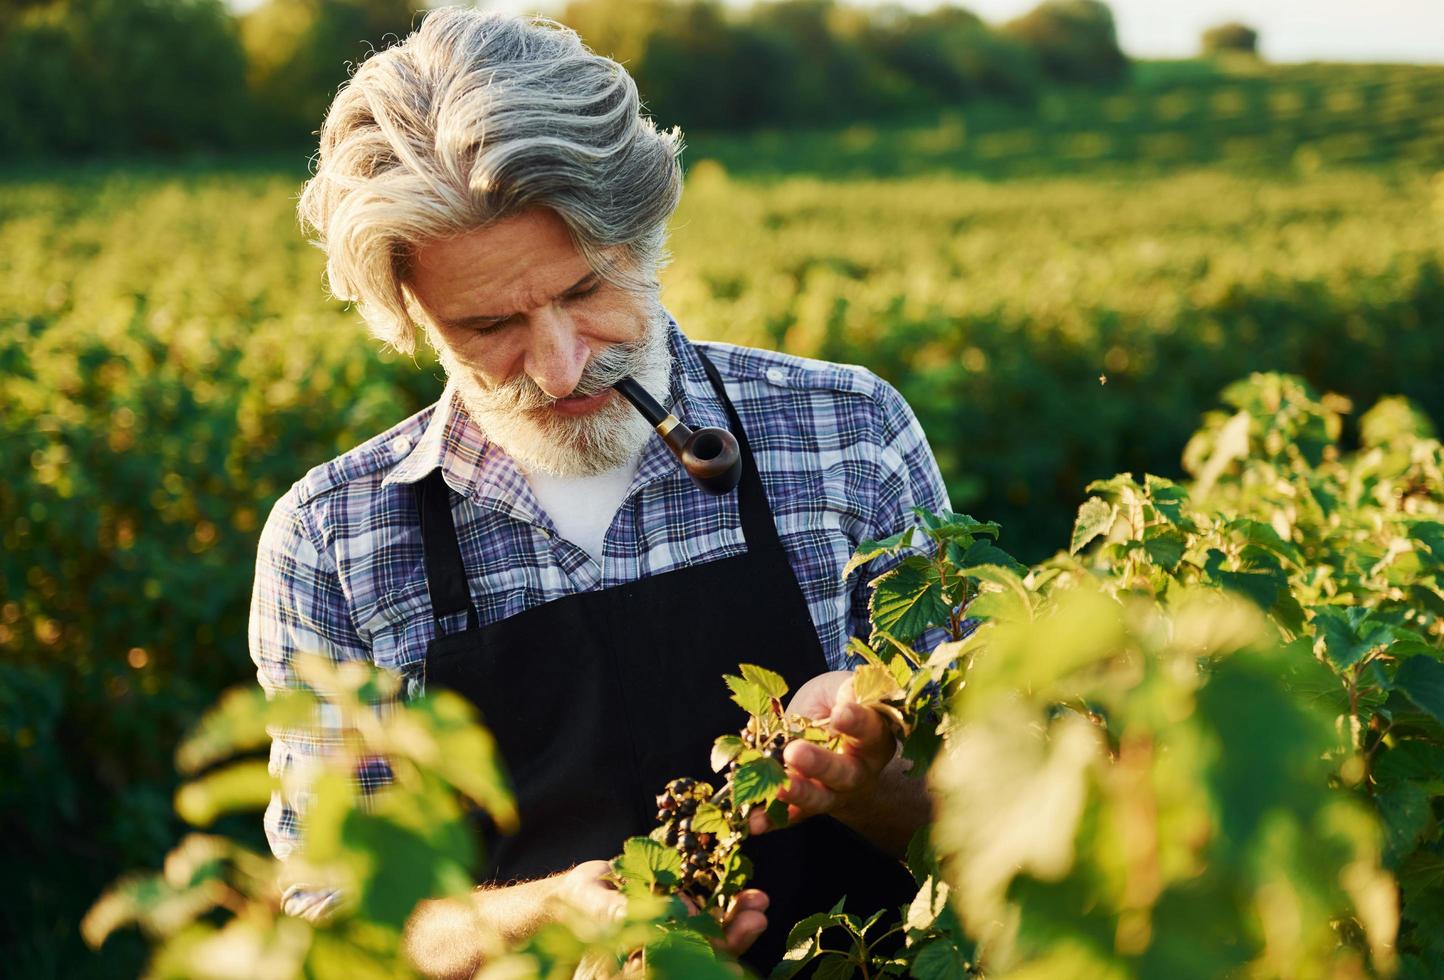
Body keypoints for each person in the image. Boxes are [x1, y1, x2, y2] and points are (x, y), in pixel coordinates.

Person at [249, 7, 952, 977]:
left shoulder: (847, 434)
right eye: (488, 323)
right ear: (412, 314)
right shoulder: (337, 540)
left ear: (646, 229)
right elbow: (334, 916)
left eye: (585, 290)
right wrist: (528, 919)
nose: (560, 363)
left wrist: (873, 776)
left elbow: (997, 828)